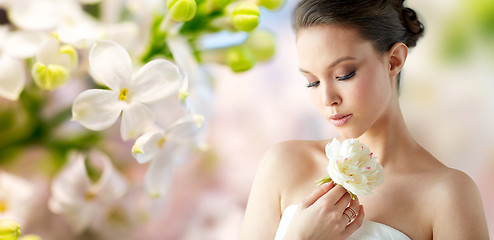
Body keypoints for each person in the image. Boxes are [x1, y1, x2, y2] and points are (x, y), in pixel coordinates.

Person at [240, 0, 490, 239]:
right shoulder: (284, 165)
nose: (327, 99)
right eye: (313, 82)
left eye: (344, 74)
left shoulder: (448, 195)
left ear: (394, 61)